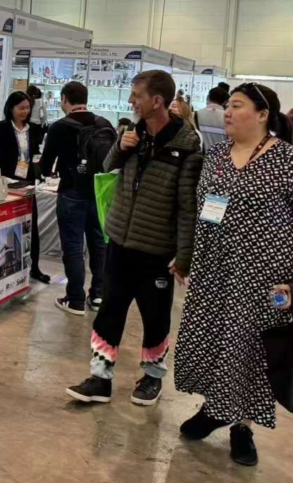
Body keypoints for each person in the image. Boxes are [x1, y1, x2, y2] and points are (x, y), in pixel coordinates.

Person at [175, 83, 293, 467]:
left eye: (237, 106)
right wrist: (189, 258)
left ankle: (242, 426)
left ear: (262, 115)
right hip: (215, 272)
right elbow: (204, 210)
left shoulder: (291, 162)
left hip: (265, 279)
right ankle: (215, 407)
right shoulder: (217, 156)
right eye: (228, 105)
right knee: (213, 340)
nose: (227, 112)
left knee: (253, 351)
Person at [66, 70, 202, 408]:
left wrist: (184, 255)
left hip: (157, 250)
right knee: (109, 311)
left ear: (157, 100)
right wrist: (120, 146)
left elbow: (188, 207)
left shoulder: (186, 146)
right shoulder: (133, 133)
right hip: (119, 243)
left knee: (155, 317)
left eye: (136, 95)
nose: (131, 101)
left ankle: (152, 377)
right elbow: (107, 167)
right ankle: (100, 378)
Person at [38, 81, 109, 314]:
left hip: (71, 192)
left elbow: (45, 164)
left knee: (73, 247)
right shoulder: (103, 124)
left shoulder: (59, 127)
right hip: (99, 193)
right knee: (99, 245)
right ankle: (98, 296)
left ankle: (75, 299)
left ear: (64, 99)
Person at [0, 90, 50, 283]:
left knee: (31, 223)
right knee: (5, 221)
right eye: (21, 108)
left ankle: (35, 267)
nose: (25, 111)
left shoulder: (34, 129)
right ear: (11, 108)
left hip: (27, 182)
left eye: (27, 108)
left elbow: (36, 154)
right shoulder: (1, 127)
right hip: (5, 181)